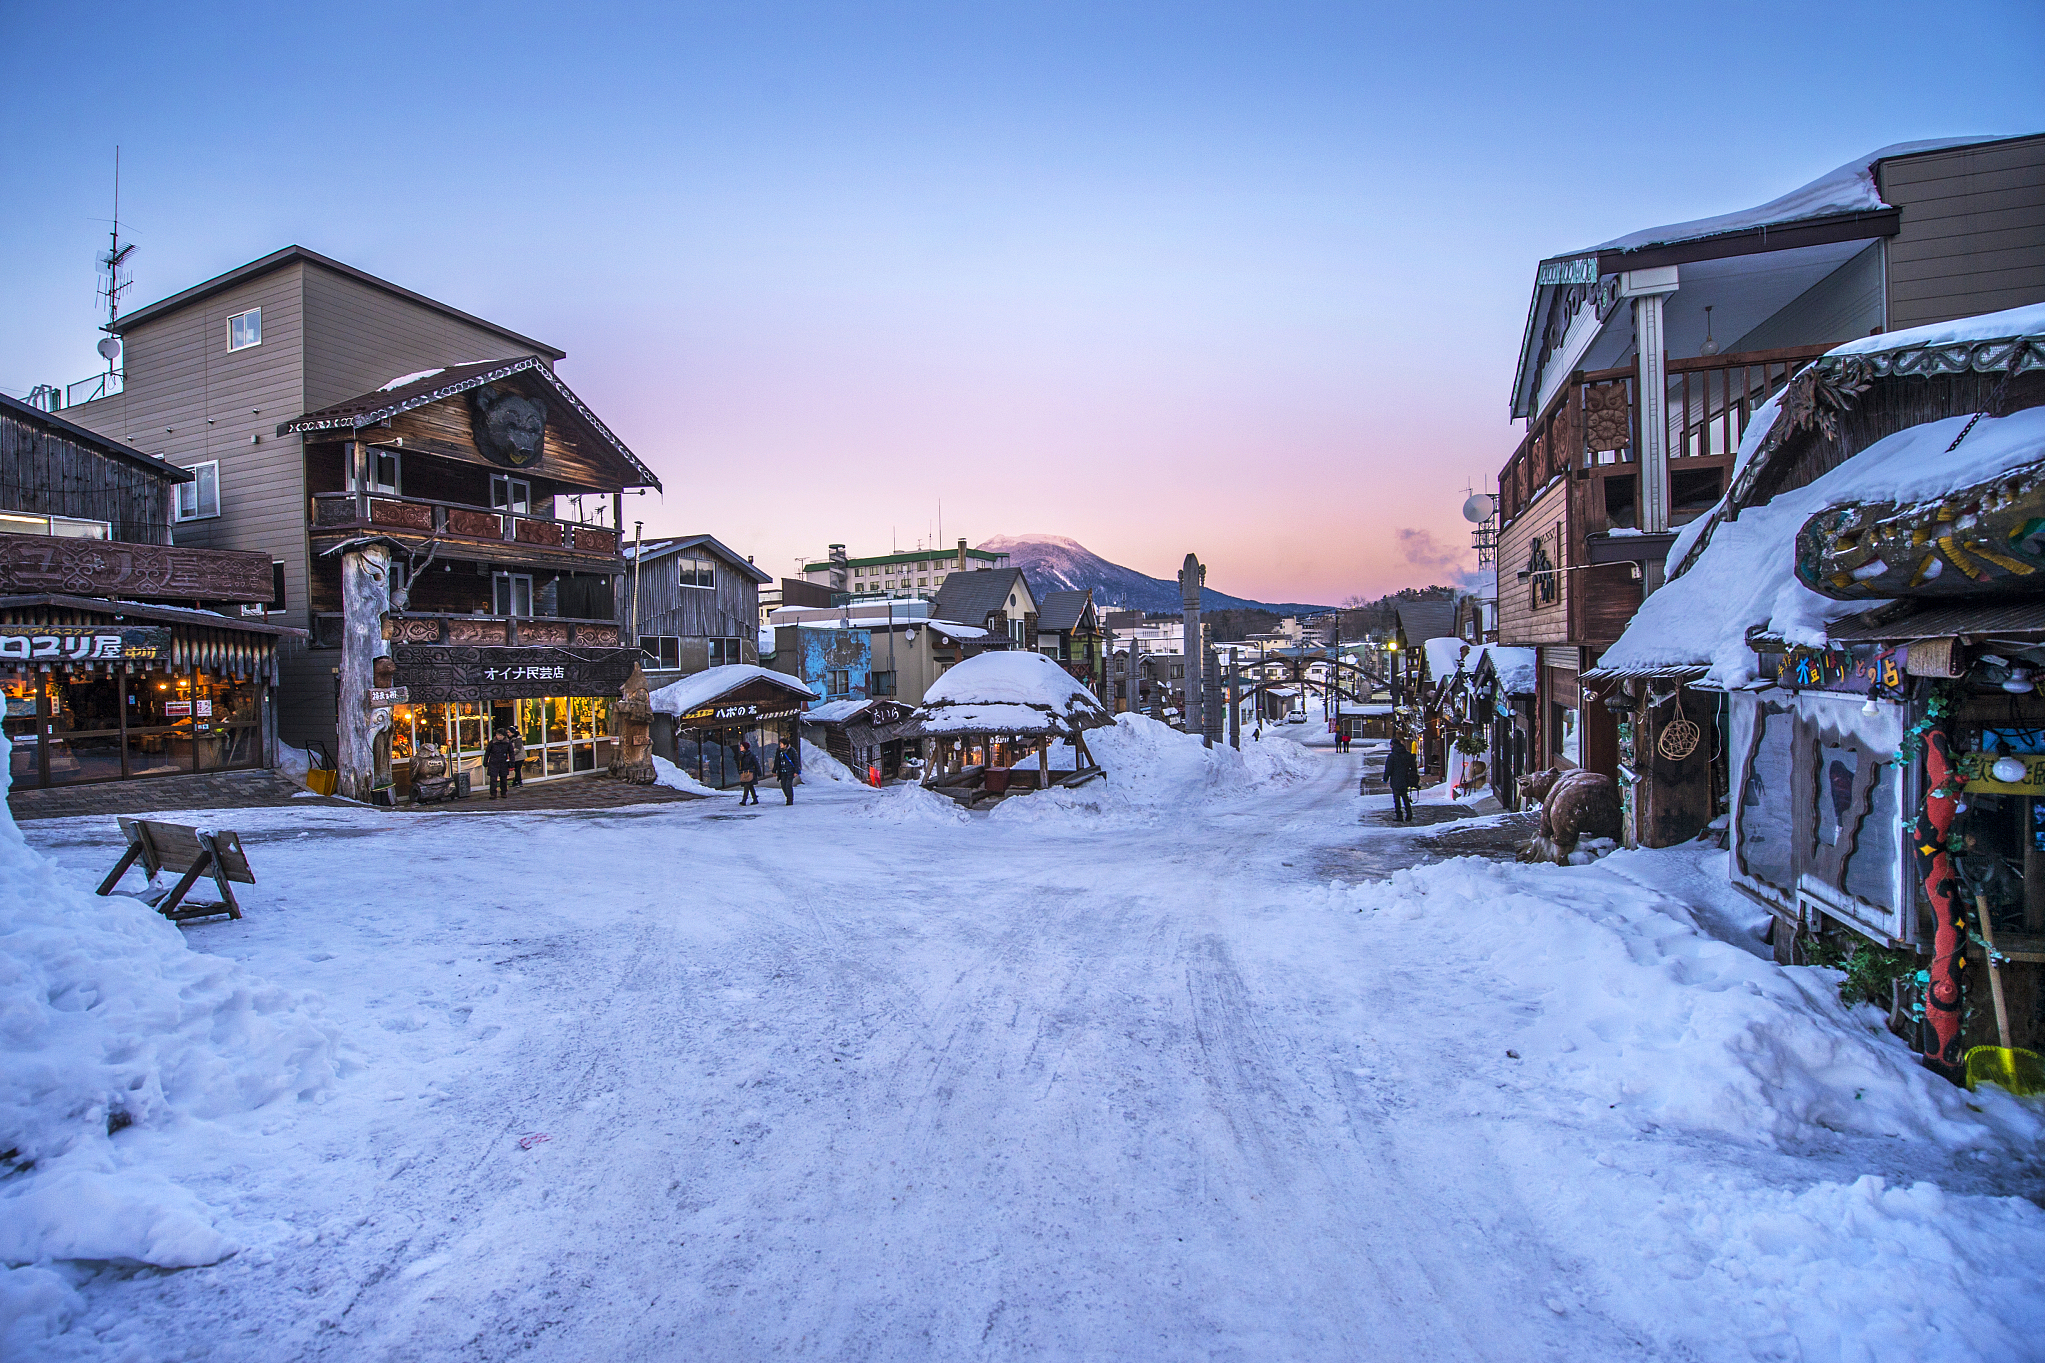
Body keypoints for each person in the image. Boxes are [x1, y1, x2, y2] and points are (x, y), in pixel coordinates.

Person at [1384, 736, 1419, 822]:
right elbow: (1414, 768)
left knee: (1396, 798)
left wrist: (1385, 778)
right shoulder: (1408, 755)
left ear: (1393, 745)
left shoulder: (1392, 756)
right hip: (1405, 779)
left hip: (1395, 779)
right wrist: (1413, 778)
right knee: (1405, 796)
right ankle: (1409, 813)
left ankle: (1399, 815)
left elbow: (1388, 769)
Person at [484, 727, 515, 800]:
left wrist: (512, 762)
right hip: (493, 762)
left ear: (504, 736)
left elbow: (511, 752)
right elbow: (487, 752)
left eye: (500, 735)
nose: (498, 737)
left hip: (503, 762)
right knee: (493, 778)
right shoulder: (493, 742)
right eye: (497, 735)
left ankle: (503, 792)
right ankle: (493, 793)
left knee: (504, 778)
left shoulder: (507, 742)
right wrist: (485, 761)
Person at [773, 735, 801, 805]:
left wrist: (796, 771)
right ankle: (788, 796)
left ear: (785, 745)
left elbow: (796, 761)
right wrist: (774, 770)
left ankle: (790, 799)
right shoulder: (779, 751)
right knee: (783, 785)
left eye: (781, 744)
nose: (780, 746)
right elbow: (777, 761)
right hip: (782, 771)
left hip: (790, 771)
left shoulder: (792, 751)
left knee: (788, 785)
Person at [735, 739, 761, 804]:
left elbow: (756, 763)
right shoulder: (741, 755)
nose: (740, 748)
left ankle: (744, 800)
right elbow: (739, 764)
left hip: (750, 772)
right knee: (750, 786)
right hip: (744, 773)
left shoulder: (751, 755)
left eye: (741, 746)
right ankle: (755, 799)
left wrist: (759, 772)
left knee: (747, 786)